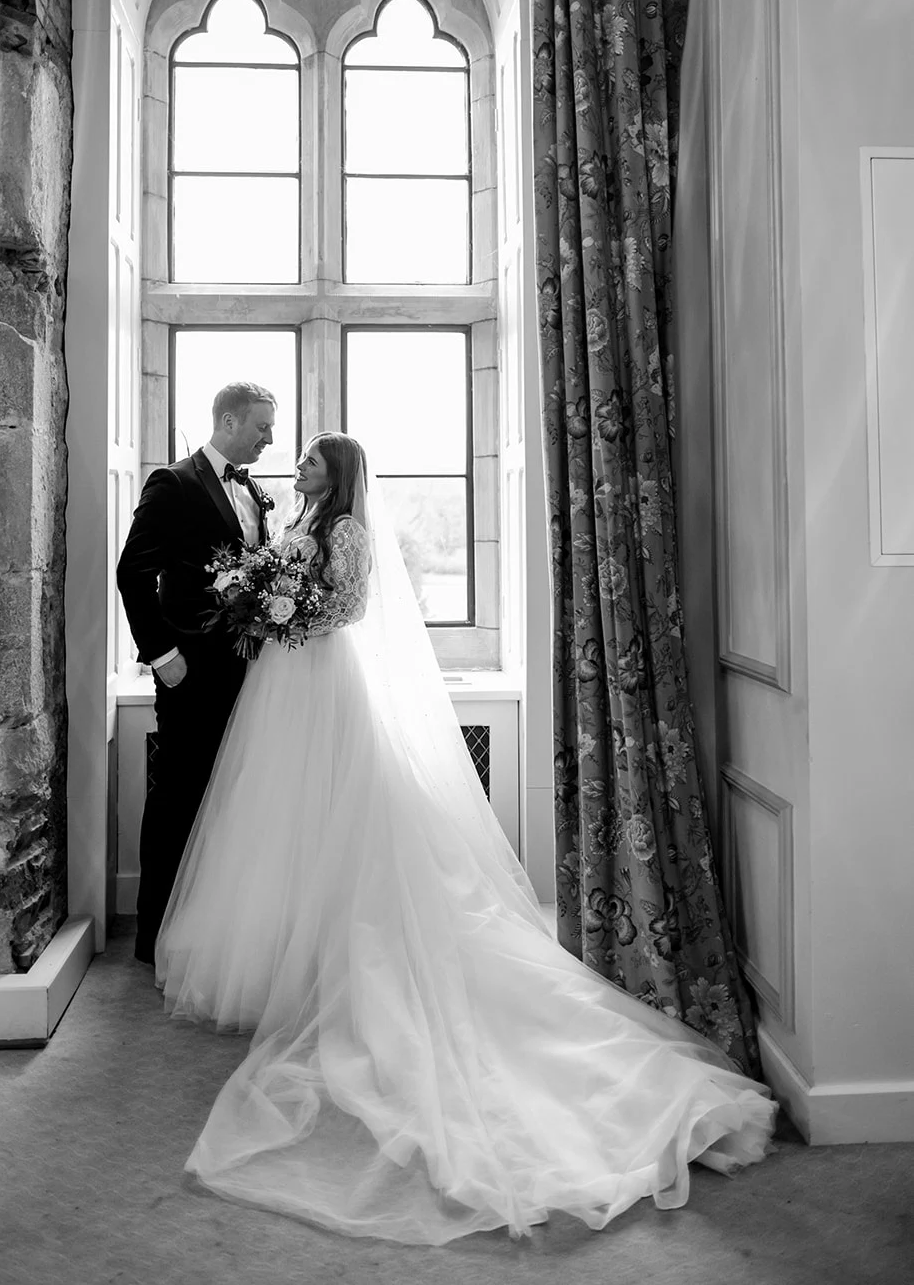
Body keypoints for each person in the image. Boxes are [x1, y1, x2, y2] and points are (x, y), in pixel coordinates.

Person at [155, 432, 776, 1244]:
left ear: (337, 473)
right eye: (299, 457)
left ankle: (346, 956)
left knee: (342, 808)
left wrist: (289, 612)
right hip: (285, 681)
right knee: (277, 816)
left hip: (323, 675)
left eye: (310, 459)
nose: (297, 465)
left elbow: (350, 606)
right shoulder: (296, 518)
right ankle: (284, 955)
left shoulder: (346, 529)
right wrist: (263, 600)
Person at [116, 380, 276, 965]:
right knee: (179, 795)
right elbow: (133, 573)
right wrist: (163, 657)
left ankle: (213, 928)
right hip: (190, 673)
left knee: (231, 797)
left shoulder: (252, 490)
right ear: (229, 422)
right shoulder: (174, 482)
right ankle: (153, 935)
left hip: (248, 674)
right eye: (261, 426)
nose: (269, 438)